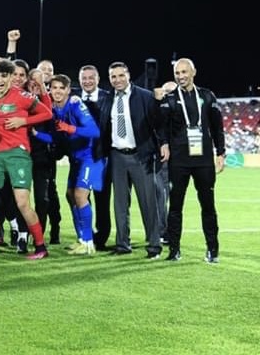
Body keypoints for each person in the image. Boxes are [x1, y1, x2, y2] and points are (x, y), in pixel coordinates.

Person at [0, 59, 53, 260]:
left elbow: (47, 113)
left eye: (4, 76)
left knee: (23, 204)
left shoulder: (21, 96)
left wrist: (24, 120)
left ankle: (41, 247)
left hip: (18, 154)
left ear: (9, 78)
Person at [95, 62, 169, 258]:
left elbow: (158, 122)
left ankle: (154, 246)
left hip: (140, 155)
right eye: (113, 77)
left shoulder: (145, 96)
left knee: (148, 203)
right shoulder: (107, 99)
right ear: (109, 79)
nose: (117, 80)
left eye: (121, 75)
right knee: (120, 204)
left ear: (128, 76)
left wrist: (163, 142)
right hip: (117, 156)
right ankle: (122, 245)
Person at [157, 58, 225, 263]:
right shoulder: (169, 99)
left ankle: (212, 250)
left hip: (203, 160)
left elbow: (217, 127)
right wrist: (164, 144)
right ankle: (174, 250)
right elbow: (161, 127)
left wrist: (220, 153)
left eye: (184, 72)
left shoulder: (207, 95)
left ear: (193, 72)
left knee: (208, 206)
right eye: (177, 73)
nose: (181, 76)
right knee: (175, 207)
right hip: (179, 161)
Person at [31, 75, 102, 255]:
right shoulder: (53, 110)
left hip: (90, 157)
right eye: (53, 88)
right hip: (76, 159)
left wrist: (72, 129)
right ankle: (81, 239)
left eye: (61, 88)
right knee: (70, 195)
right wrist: (35, 133)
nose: (57, 91)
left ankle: (88, 242)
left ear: (68, 90)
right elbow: (56, 138)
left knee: (79, 195)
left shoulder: (76, 105)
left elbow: (94, 131)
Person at [77, 65, 113, 249]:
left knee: (102, 198)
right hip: (79, 159)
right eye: (84, 78)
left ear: (98, 79)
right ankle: (85, 234)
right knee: (81, 197)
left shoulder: (109, 98)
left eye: (91, 78)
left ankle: (102, 237)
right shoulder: (74, 98)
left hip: (102, 158)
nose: (88, 81)